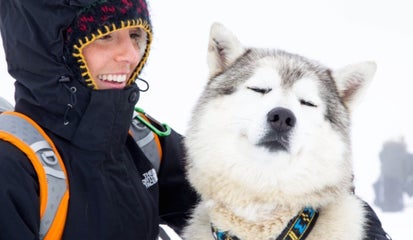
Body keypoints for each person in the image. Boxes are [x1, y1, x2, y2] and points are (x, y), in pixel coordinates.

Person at [0, 0, 391, 239]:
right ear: (52, 51)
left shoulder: (137, 138)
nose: (130, 55)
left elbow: (232, 185)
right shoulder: (13, 166)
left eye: (135, 35)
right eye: (105, 37)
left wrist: (353, 223)